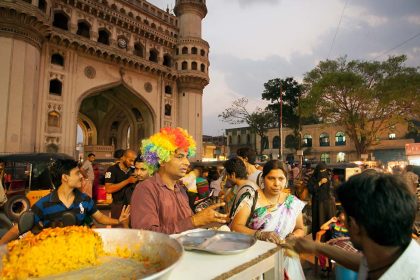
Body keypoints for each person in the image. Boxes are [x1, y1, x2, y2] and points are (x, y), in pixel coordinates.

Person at [294, 172, 420, 280]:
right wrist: (317, 247)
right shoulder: (388, 256)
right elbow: (363, 264)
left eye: (344, 214)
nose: (342, 221)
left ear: (354, 225)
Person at [0, 159, 130, 245]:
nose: (81, 176)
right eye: (77, 173)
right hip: (54, 256)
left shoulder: (85, 200)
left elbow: (100, 218)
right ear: (65, 178)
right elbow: (17, 230)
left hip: (79, 251)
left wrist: (118, 221)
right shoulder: (45, 203)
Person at [130, 127, 227, 234]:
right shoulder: (146, 189)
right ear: (162, 160)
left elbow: (186, 227)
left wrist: (208, 220)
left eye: (186, 157)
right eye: (180, 157)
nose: (187, 163)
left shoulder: (181, 189)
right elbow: (146, 235)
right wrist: (194, 221)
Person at [230, 160, 305, 279]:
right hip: (257, 260)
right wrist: (260, 234)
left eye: (281, 179)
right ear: (263, 179)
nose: (276, 183)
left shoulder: (293, 202)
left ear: (286, 180)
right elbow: (235, 226)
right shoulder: (251, 198)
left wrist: (292, 237)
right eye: (271, 178)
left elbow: (300, 228)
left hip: (286, 260)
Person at [105, 149, 138, 219]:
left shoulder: (134, 170)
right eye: (130, 160)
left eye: (134, 161)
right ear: (123, 158)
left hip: (132, 205)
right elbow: (108, 189)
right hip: (118, 205)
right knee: (118, 228)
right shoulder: (112, 169)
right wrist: (128, 181)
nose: (132, 163)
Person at [307, 162, 336, 239]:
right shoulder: (313, 179)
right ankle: (319, 238)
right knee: (319, 219)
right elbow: (311, 190)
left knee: (328, 219)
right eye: (321, 171)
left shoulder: (329, 178)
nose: (323, 172)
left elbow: (332, 190)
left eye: (324, 170)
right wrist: (319, 183)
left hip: (328, 203)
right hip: (318, 203)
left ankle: (330, 237)